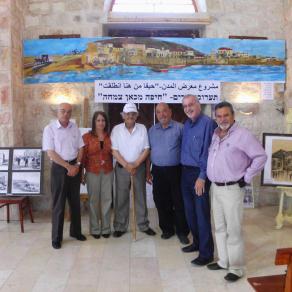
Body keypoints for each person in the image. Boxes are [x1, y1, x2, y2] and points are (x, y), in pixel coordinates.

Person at [206, 101, 267, 282]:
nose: (222, 119)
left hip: (232, 189)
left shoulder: (243, 135)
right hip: (215, 188)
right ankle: (224, 261)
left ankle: (237, 267)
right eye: (219, 116)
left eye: (226, 115)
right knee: (218, 227)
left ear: (233, 116)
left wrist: (246, 177)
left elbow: (260, 157)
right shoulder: (216, 134)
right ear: (215, 118)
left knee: (233, 230)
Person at [42, 103, 86, 249]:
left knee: (75, 202)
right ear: (57, 113)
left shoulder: (75, 128)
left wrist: (77, 165)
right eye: (63, 111)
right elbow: (51, 153)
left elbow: (81, 148)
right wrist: (68, 167)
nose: (66, 114)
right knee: (59, 204)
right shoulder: (50, 129)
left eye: (68, 112)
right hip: (59, 169)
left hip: (75, 166)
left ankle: (75, 232)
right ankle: (56, 238)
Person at [111, 103, 156, 238]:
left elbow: (146, 149)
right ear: (123, 116)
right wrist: (126, 165)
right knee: (121, 198)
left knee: (140, 197)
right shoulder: (116, 129)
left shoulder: (142, 128)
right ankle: (120, 226)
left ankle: (143, 225)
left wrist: (135, 164)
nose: (130, 116)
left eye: (133, 114)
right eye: (127, 114)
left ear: (136, 116)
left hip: (138, 168)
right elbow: (114, 151)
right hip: (122, 168)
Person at [180, 94, 216, 266]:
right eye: (185, 106)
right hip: (185, 173)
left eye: (191, 104)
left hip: (199, 175)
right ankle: (196, 243)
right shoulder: (187, 125)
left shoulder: (208, 123)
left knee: (201, 214)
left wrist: (202, 177)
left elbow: (209, 152)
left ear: (199, 104)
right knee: (190, 213)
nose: (188, 108)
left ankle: (206, 253)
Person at [147, 102, 189, 244]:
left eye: (164, 111)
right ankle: (167, 229)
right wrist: (148, 171)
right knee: (160, 201)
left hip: (176, 170)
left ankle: (182, 231)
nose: (162, 114)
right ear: (156, 114)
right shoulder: (152, 130)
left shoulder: (180, 128)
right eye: (158, 112)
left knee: (178, 201)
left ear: (170, 112)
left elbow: (187, 150)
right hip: (157, 171)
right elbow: (149, 152)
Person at [82, 111, 113, 239]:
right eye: (98, 120)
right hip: (92, 171)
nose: (101, 123)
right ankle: (95, 229)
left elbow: (114, 152)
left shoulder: (110, 136)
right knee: (93, 201)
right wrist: (81, 173)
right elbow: (83, 156)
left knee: (107, 199)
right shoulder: (86, 137)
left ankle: (106, 228)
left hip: (107, 171)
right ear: (94, 122)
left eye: (103, 120)